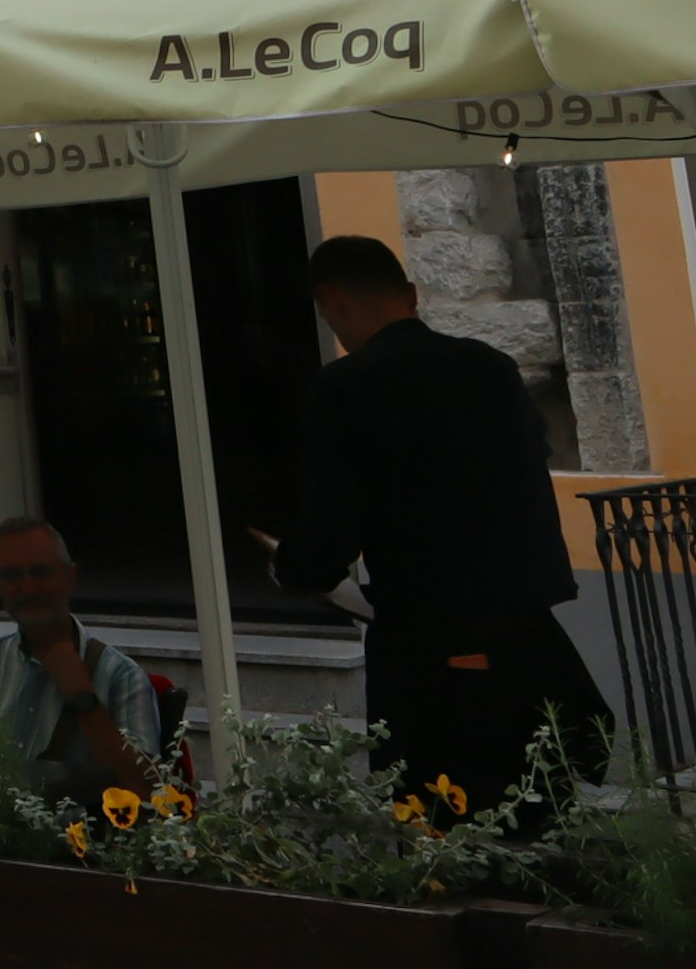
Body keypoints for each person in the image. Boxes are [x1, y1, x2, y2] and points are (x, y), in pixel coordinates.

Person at [259, 234, 613, 811]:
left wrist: (289, 562)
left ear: (331, 301)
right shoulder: (492, 368)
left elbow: (330, 532)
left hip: (429, 646)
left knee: (442, 818)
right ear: (413, 295)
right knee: (535, 807)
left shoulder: (346, 386)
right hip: (525, 638)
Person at [0, 516, 163, 797]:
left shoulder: (120, 676)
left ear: (70, 578)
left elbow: (146, 791)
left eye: (41, 573)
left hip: (72, 837)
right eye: (12, 576)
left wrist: (83, 698)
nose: (28, 588)